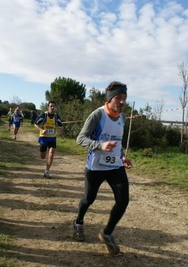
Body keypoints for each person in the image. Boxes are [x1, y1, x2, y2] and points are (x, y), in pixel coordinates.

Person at [72, 81, 132, 255]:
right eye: (118, 98)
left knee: (123, 200)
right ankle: (78, 221)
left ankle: (107, 233)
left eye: (124, 98)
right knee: (88, 199)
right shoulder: (97, 115)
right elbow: (80, 139)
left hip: (115, 166)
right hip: (96, 166)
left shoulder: (123, 117)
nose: (122, 102)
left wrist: (122, 157)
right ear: (110, 98)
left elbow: (118, 142)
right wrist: (100, 145)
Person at [34, 101, 63, 178]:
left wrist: (61, 128)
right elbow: (35, 124)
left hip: (52, 138)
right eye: (51, 106)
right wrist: (41, 130)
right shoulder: (43, 115)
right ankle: (42, 151)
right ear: (48, 107)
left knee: (51, 153)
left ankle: (47, 171)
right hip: (43, 138)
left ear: (55, 107)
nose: (52, 108)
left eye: (54, 106)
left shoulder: (56, 116)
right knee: (43, 157)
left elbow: (60, 124)